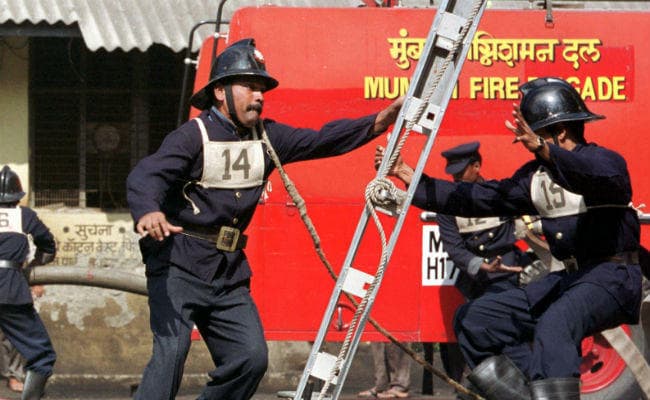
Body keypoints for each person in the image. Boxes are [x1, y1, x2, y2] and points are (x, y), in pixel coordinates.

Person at [126, 38, 403, 400]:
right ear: (220, 92)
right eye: (249, 86)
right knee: (171, 355)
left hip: (228, 273)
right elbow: (147, 175)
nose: (258, 96)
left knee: (251, 358)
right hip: (179, 263)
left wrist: (381, 121)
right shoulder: (193, 135)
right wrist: (149, 210)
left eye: (262, 89)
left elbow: (323, 139)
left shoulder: (268, 138)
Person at [375, 77, 642, 400]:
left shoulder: (605, 162)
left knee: (555, 322)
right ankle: (531, 395)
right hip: (572, 279)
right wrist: (409, 176)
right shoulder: (536, 177)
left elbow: (593, 175)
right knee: (475, 320)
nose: (530, 146)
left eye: (538, 136)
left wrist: (543, 150)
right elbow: (479, 197)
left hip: (612, 276)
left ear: (560, 132)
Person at [0, 165, 57, 400]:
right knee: (42, 355)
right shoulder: (23, 215)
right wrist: (35, 264)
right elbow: (48, 246)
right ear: (17, 196)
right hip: (10, 290)